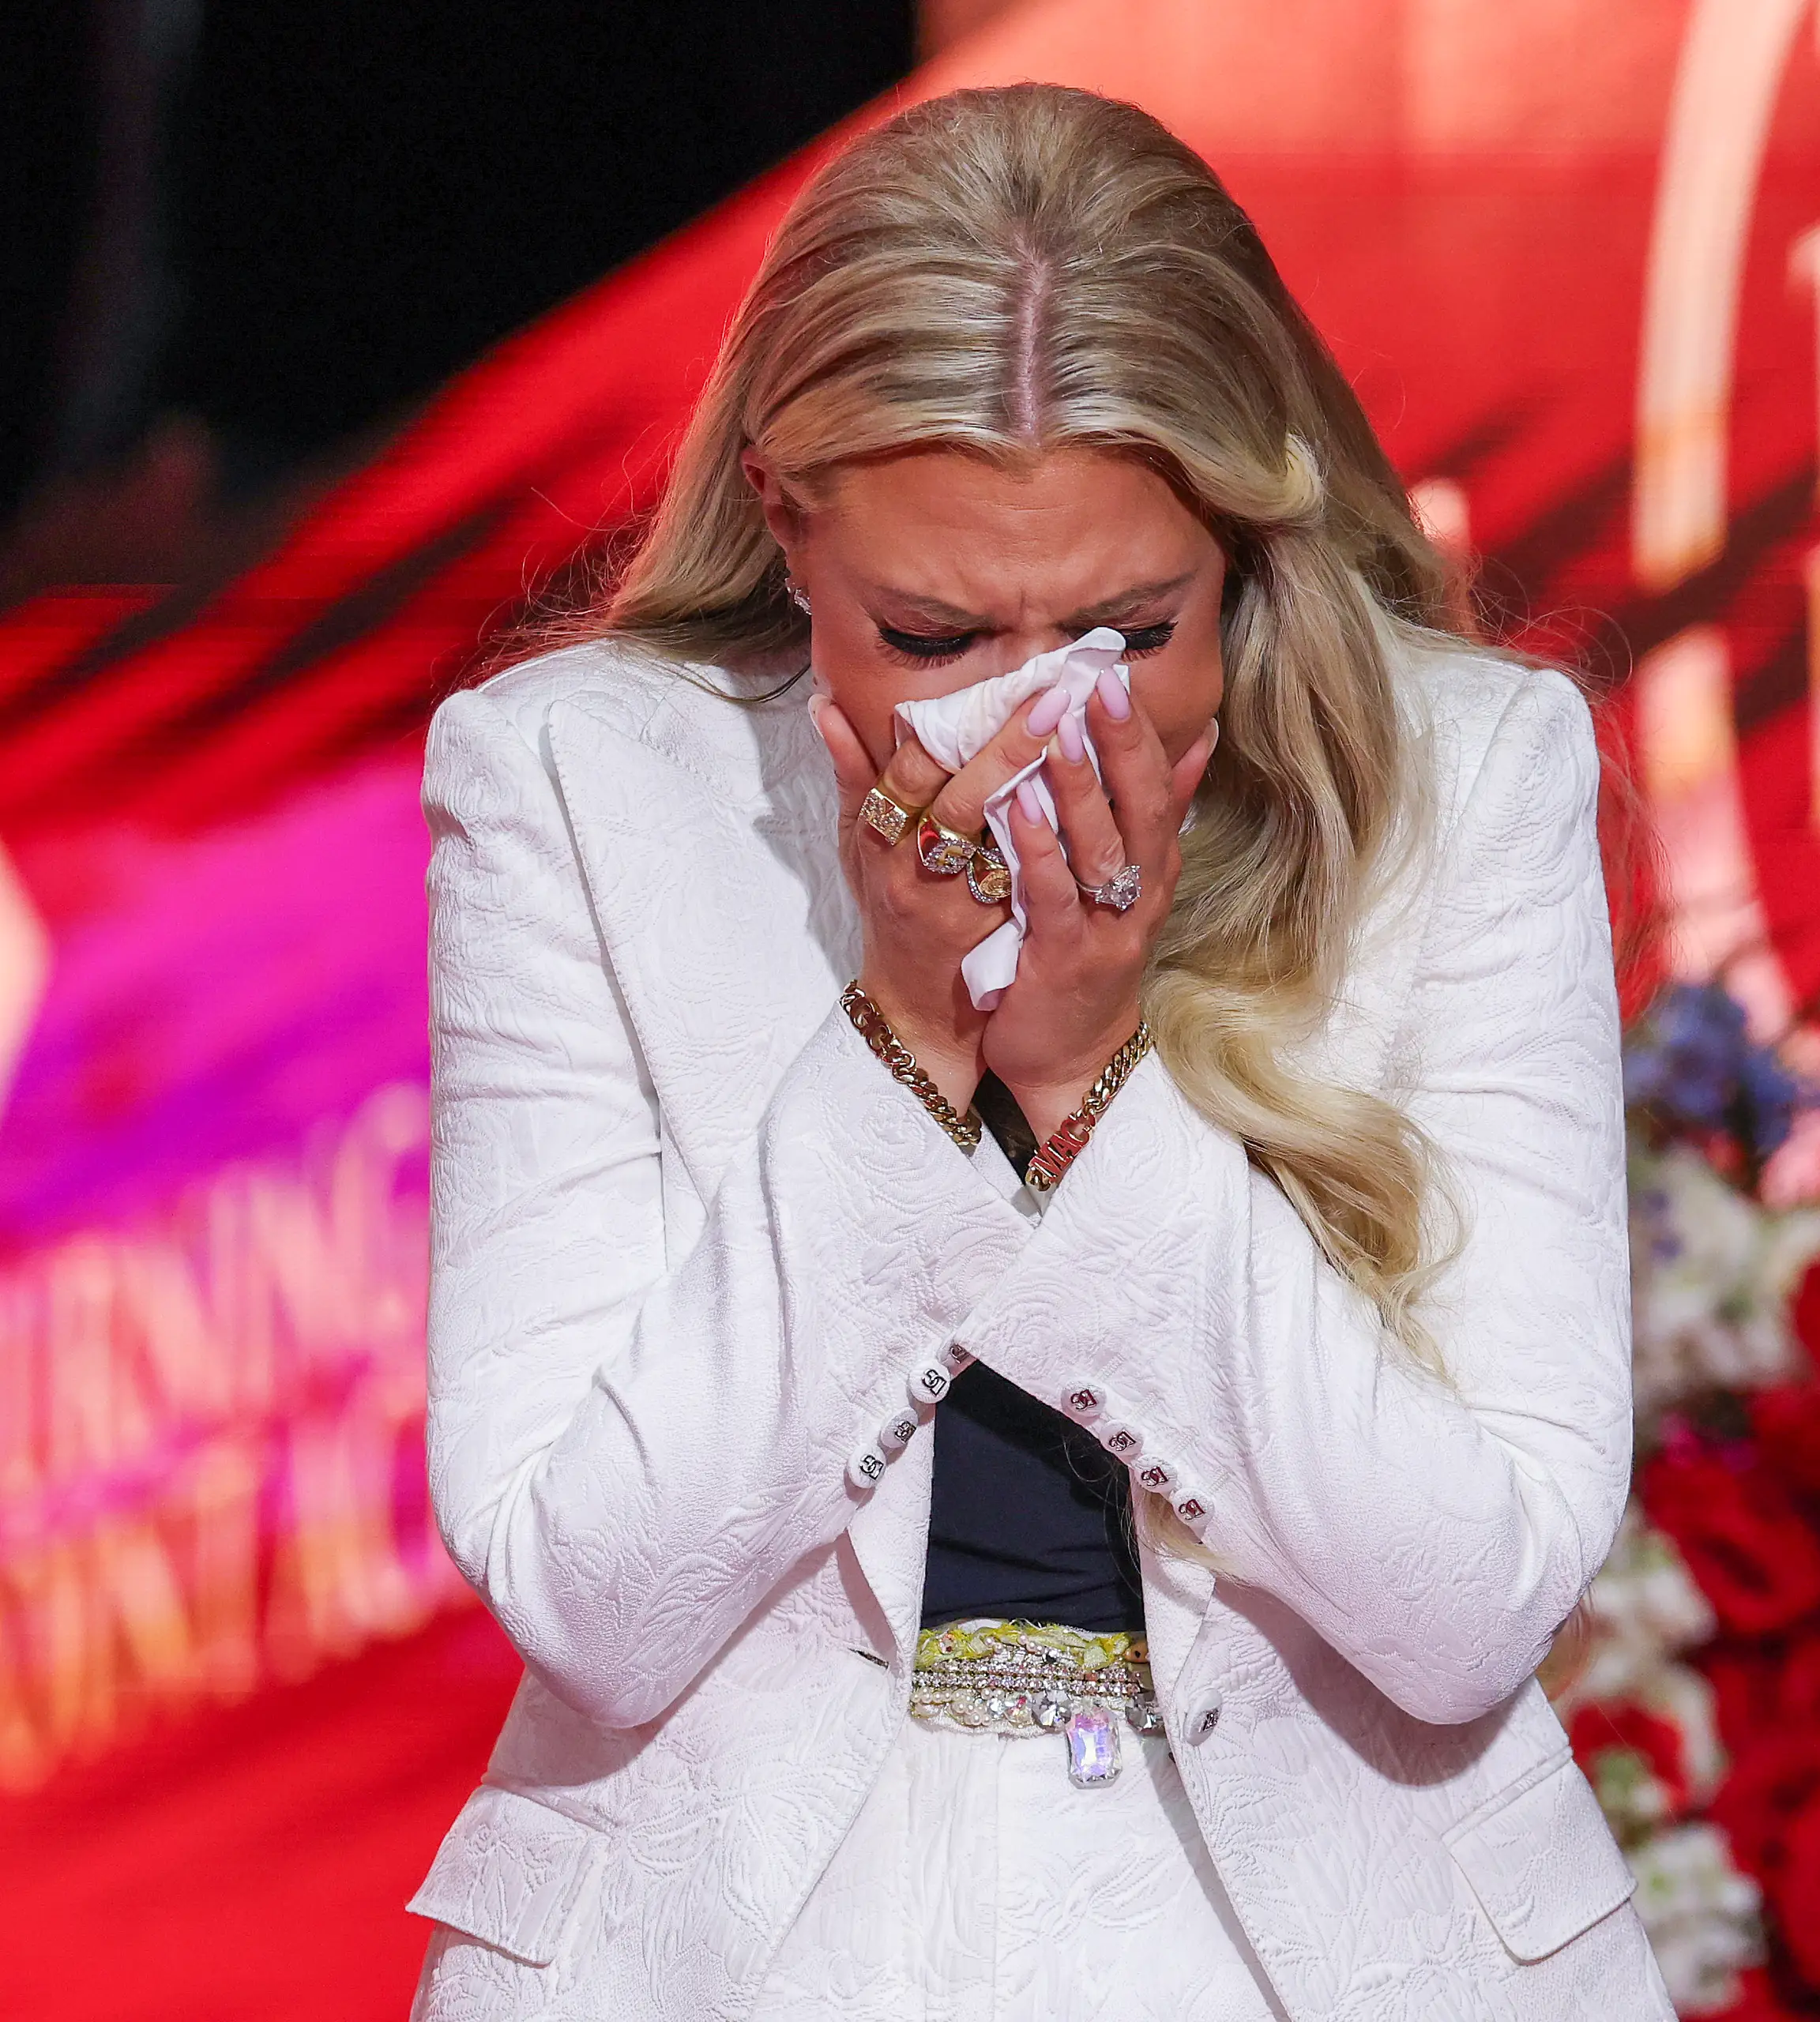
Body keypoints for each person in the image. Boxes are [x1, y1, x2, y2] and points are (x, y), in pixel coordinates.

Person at [408, 84, 1663, 2021]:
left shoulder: (1467, 780)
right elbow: (593, 1590)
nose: (1030, 721)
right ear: (785, 518)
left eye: (1126, 630)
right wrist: (905, 1047)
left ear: (1240, 546)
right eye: (928, 634)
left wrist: (1089, 1091)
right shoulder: (578, 783)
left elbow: (1472, 1602)